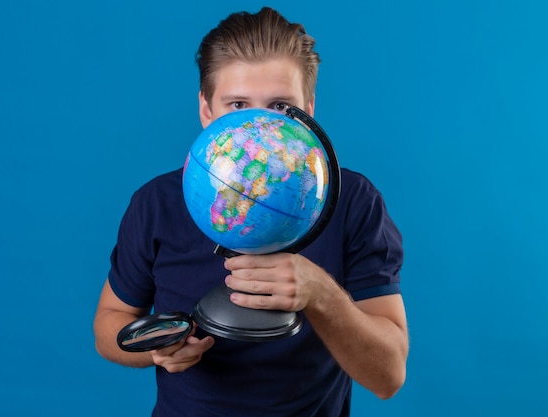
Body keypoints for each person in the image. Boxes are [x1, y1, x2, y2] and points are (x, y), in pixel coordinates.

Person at [94, 7, 408, 417]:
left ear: (308, 112)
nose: (259, 131)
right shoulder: (157, 203)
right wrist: (157, 350)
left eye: (279, 107)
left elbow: (388, 376)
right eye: (238, 105)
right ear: (206, 109)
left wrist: (320, 293)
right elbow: (110, 322)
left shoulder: (353, 202)